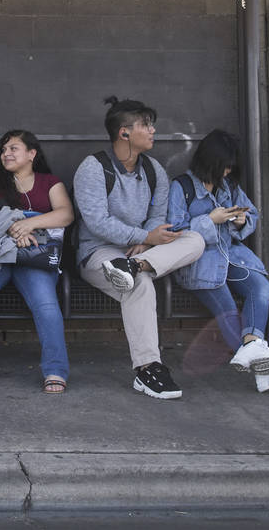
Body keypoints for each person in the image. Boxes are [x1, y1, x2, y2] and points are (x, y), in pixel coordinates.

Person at [74, 97, 205, 400]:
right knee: (138, 285)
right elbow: (97, 222)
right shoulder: (93, 168)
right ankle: (148, 368)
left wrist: (146, 244)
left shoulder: (155, 170)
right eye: (146, 125)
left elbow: (158, 217)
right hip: (100, 253)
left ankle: (135, 266)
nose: (153, 130)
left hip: (142, 253)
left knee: (195, 240)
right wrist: (144, 235)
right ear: (124, 133)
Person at [169, 130, 269, 392]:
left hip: (231, 255)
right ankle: (265, 367)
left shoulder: (228, 185)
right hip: (198, 261)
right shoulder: (182, 187)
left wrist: (242, 220)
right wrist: (211, 221)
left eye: (231, 166)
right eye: (223, 166)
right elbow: (173, 232)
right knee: (228, 308)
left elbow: (251, 213)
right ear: (208, 161)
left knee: (260, 287)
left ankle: (259, 364)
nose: (228, 171)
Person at [0, 130, 74, 393]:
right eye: (3, 150)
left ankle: (55, 369)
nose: (6, 154)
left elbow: (66, 215)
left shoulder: (50, 182)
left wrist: (28, 225)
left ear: (32, 154)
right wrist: (15, 230)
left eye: (13, 148)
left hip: (35, 256)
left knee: (46, 303)